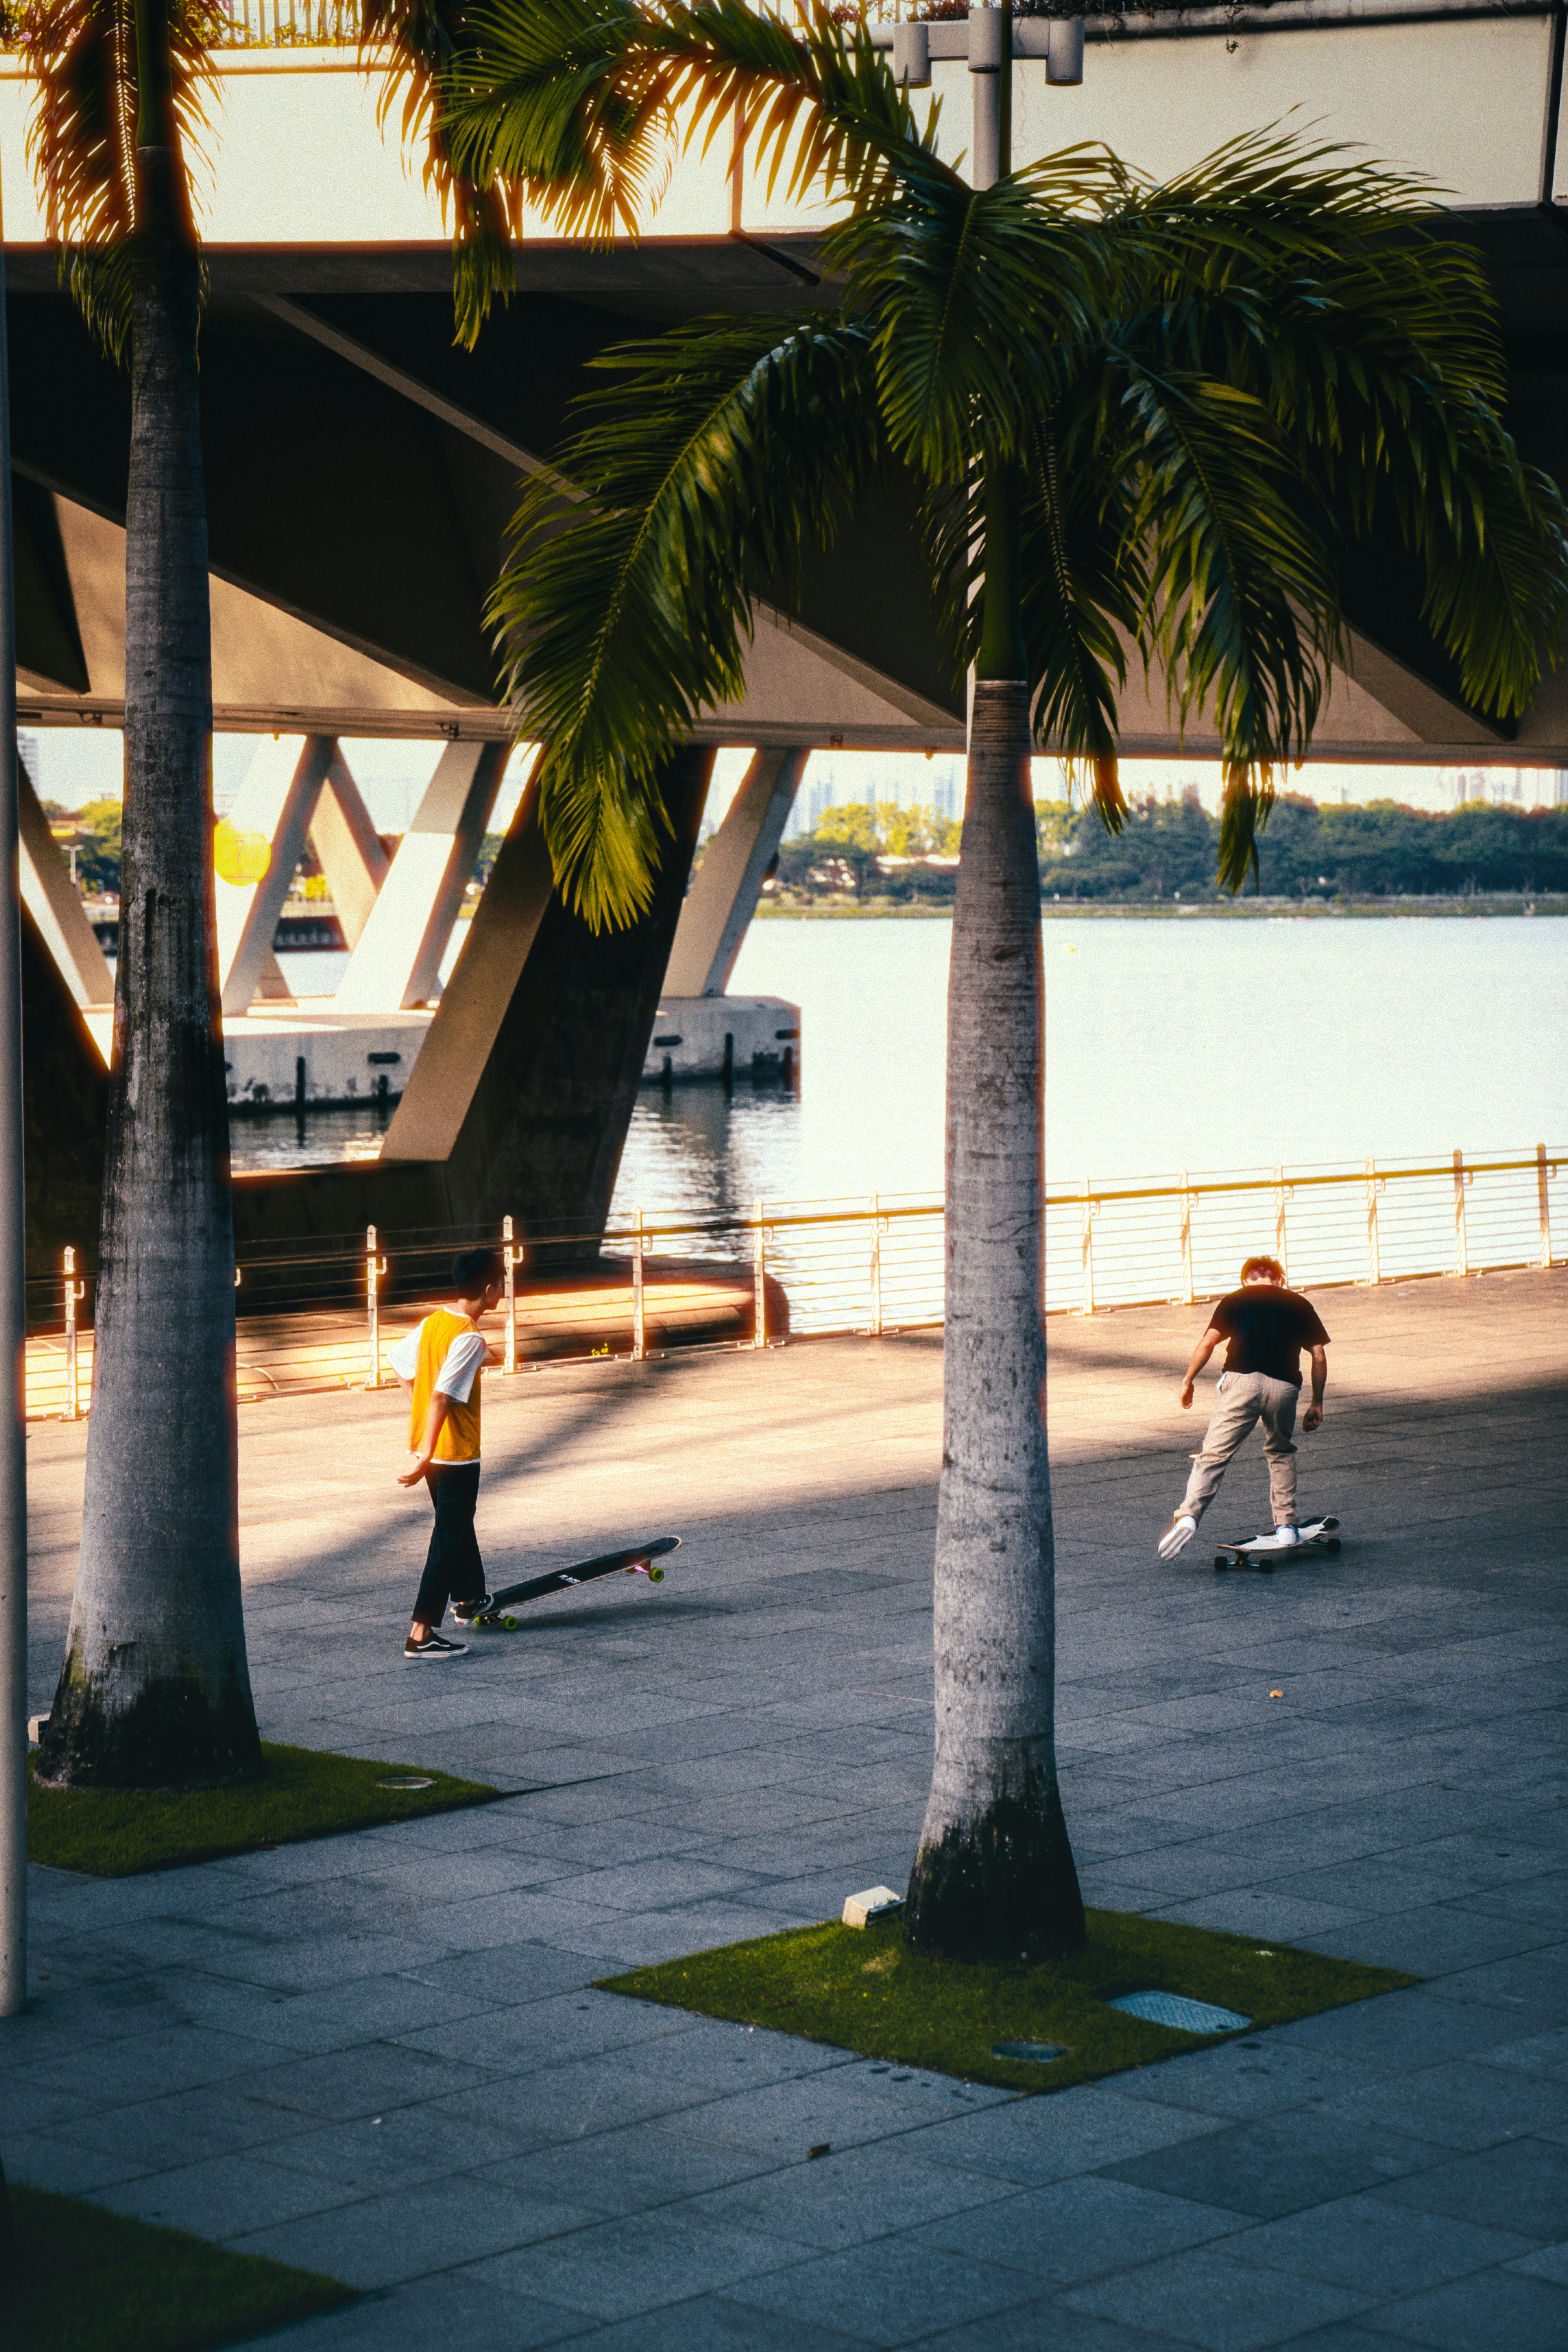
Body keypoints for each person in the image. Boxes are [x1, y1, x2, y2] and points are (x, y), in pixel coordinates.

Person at [1158, 1255, 1329, 1561]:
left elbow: (1207, 1343)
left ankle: (1188, 1516)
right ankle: (1286, 1525)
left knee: (1214, 1455)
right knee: (1280, 1452)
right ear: (1280, 1280)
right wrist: (1317, 1402)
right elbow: (1318, 1356)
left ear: (1246, 1279)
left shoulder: (1235, 1300)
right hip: (1284, 1387)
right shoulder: (1298, 1303)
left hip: (1242, 1383)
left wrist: (1188, 1380)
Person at [389, 1247, 505, 1658]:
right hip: (454, 1455)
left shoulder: (435, 1322)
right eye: (502, 1285)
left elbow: (401, 1365)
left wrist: (421, 1430)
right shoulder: (471, 1337)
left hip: (435, 1451)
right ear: (490, 1289)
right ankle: (421, 1635)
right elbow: (440, 1395)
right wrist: (427, 1450)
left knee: (456, 1525)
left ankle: (471, 1597)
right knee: (449, 1534)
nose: (503, 1294)